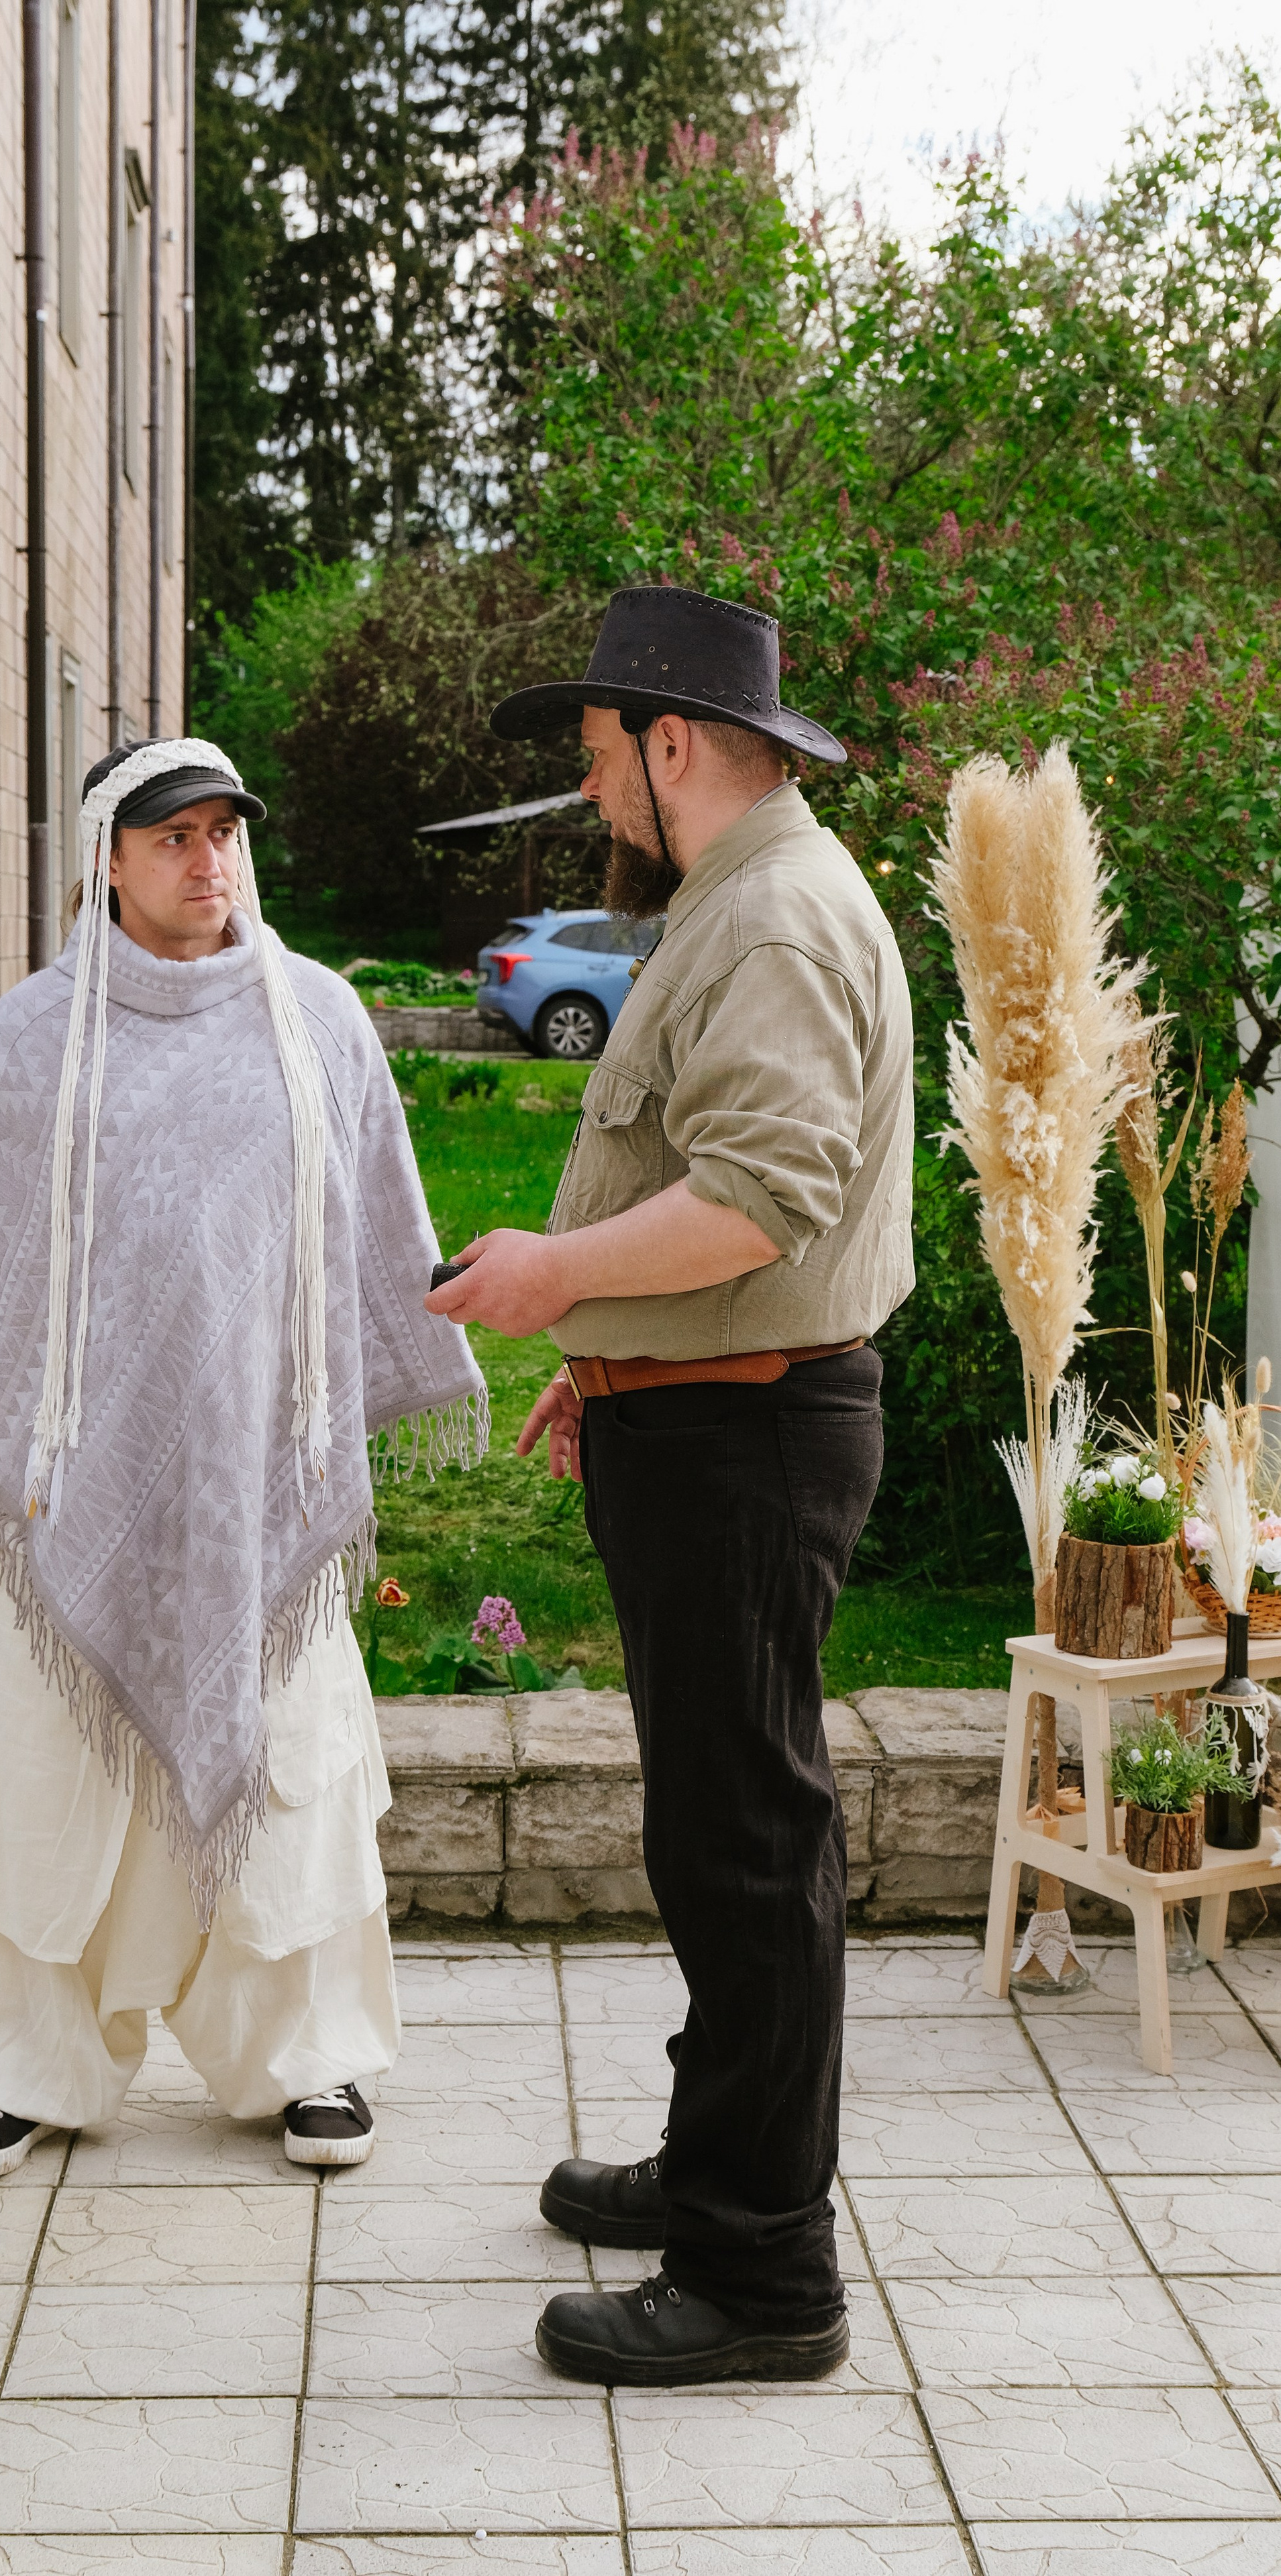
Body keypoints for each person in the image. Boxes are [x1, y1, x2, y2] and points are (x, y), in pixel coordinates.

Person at [0, 736, 486, 2180]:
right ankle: (18, 2070)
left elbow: (374, 1233)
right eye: (174, 837)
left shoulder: (319, 1024)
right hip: (71, 1489)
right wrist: (16, 1434)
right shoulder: (30, 1041)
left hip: (264, 1479)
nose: (208, 860)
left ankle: (306, 2059)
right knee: (42, 1791)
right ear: (107, 860)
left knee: (290, 1776)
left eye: (224, 832)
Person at [427, 588, 914, 2385]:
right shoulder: (738, 897)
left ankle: (763, 2274)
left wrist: (554, 1280)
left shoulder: (772, 920)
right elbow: (701, 1184)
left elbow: (760, 1201)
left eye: (594, 754)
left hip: (744, 1440)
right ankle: (717, 2167)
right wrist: (604, 1350)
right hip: (707, 1415)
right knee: (720, 1840)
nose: (587, 789)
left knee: (747, 1848)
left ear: (673, 743)